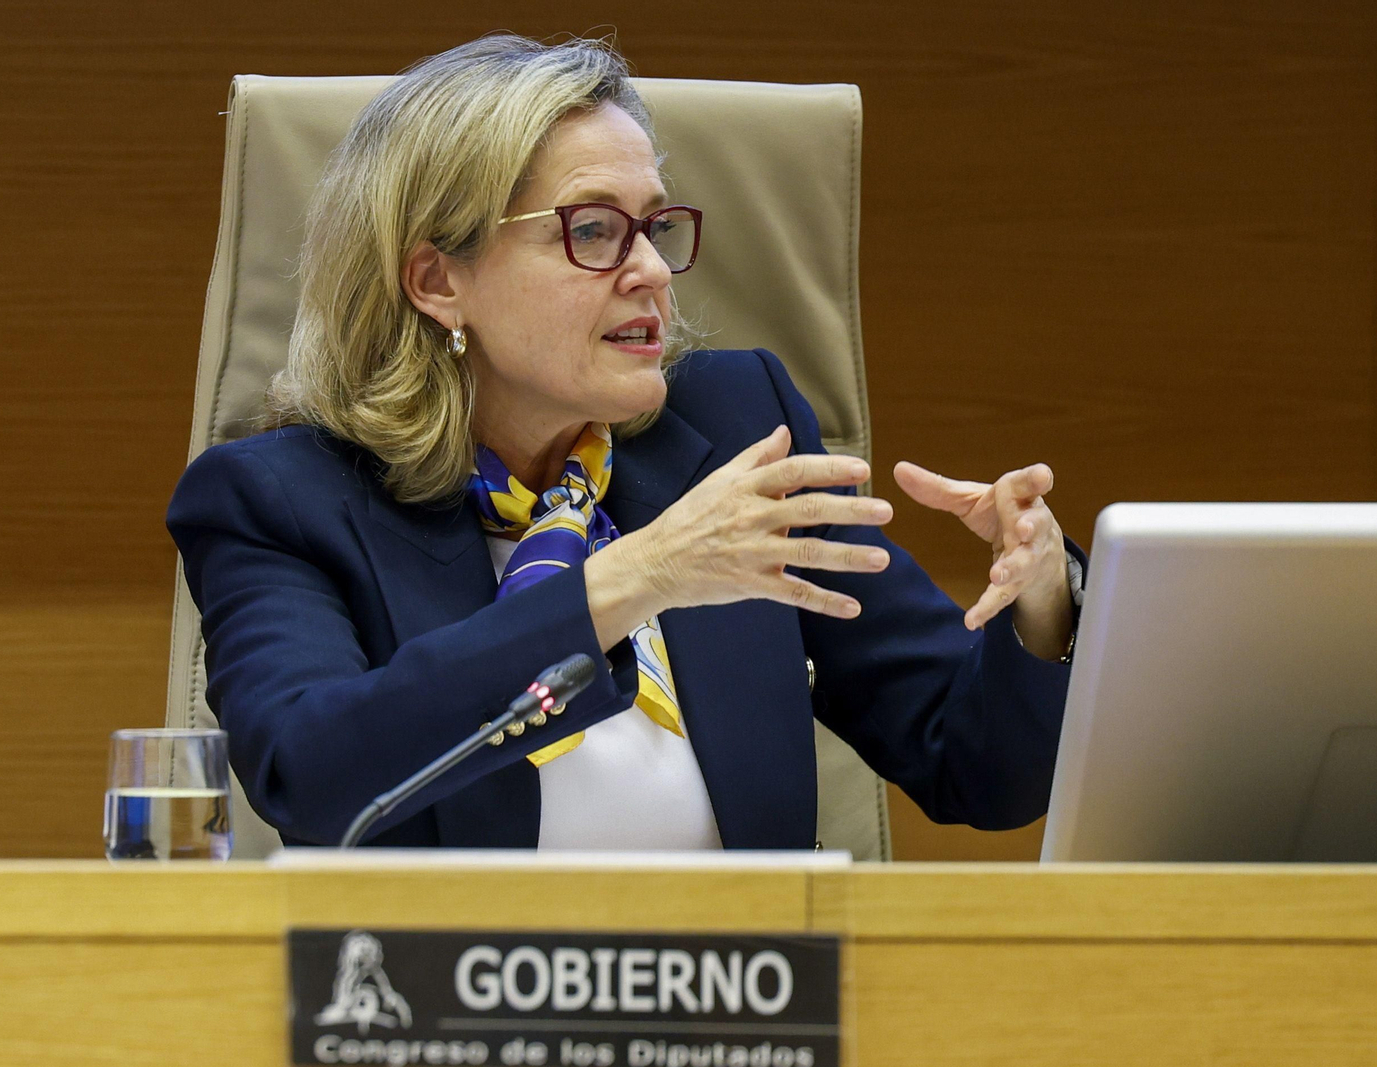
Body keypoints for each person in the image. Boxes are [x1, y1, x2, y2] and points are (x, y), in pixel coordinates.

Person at [167, 34, 1086, 850]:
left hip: (739, 1021)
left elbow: (979, 768)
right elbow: (312, 771)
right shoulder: (279, 500)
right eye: (594, 230)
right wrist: (631, 578)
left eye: (655, 227)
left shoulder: (733, 437)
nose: (650, 270)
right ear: (437, 280)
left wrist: (1041, 597)